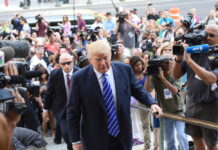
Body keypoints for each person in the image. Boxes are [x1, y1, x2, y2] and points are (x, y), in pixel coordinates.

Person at [67, 40, 162, 150]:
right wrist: (75, 141)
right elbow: (73, 112)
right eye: (98, 59)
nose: (103, 63)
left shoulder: (124, 70)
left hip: (122, 135)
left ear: (111, 55)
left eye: (106, 58)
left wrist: (152, 103)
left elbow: (138, 89)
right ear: (90, 60)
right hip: (94, 139)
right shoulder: (79, 78)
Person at [172, 24, 218, 150]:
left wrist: (190, 61)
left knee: (211, 144)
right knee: (196, 139)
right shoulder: (195, 50)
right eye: (205, 34)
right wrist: (179, 57)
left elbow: (211, 79)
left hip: (210, 104)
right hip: (192, 102)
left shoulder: (216, 53)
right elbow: (175, 76)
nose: (206, 37)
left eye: (211, 36)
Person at [146, 42, 188, 150]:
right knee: (169, 140)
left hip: (178, 111)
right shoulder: (155, 75)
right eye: (166, 61)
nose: (169, 62)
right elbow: (148, 90)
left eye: (171, 60)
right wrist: (147, 75)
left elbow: (175, 90)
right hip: (165, 113)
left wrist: (163, 79)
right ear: (161, 63)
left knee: (182, 136)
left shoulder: (176, 73)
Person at [43, 52, 80, 150]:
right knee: (66, 133)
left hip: (79, 108)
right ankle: (70, 147)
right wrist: (45, 109)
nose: (66, 66)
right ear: (59, 64)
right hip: (62, 109)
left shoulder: (80, 72)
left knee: (80, 132)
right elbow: (49, 92)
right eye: (63, 64)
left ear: (73, 62)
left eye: (69, 63)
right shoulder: (55, 74)